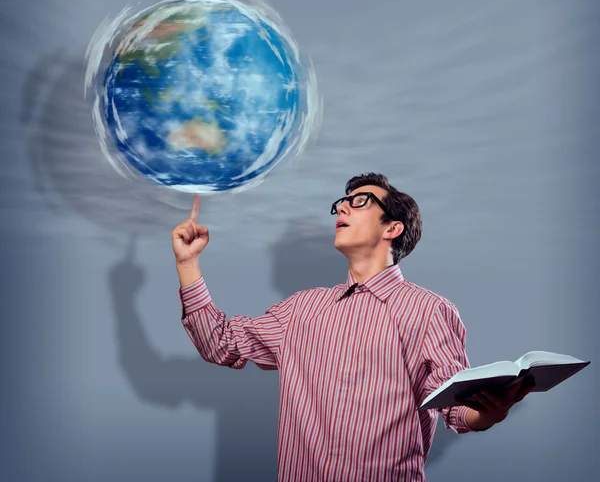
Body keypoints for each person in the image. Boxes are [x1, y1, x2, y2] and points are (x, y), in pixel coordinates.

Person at [172, 172, 533, 481]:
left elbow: (453, 405)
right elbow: (219, 343)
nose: (342, 207)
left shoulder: (429, 311)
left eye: (359, 202)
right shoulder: (301, 309)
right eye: (341, 203)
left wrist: (488, 413)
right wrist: (188, 264)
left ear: (393, 227)